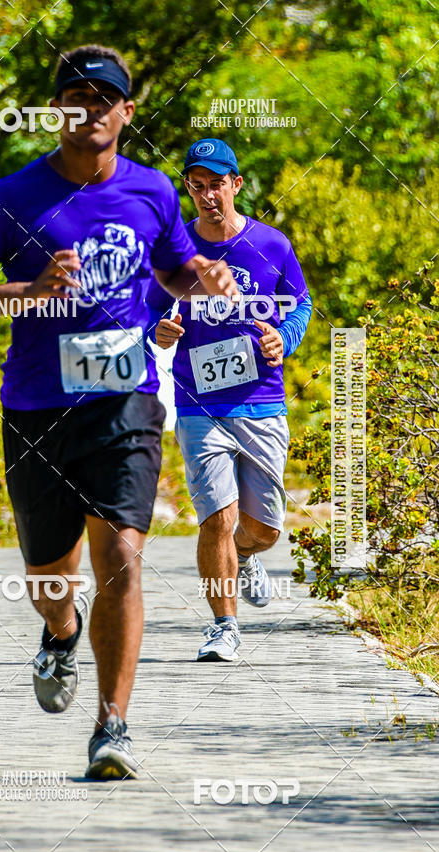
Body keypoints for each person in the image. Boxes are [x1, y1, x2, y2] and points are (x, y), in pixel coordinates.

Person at [0, 48, 238, 779]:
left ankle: (113, 726)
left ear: (126, 113)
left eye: (105, 98)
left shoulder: (155, 190)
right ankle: (60, 633)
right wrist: (28, 291)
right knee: (50, 579)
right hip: (37, 405)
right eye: (76, 97)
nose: (91, 109)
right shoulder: (12, 196)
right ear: (58, 111)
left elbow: (170, 267)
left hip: (125, 398)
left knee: (123, 558)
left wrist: (201, 275)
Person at [152, 138, 312, 662]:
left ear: (236, 185)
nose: (206, 195)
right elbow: (146, 315)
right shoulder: (174, 252)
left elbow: (300, 306)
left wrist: (282, 338)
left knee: (263, 529)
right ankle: (223, 626)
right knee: (216, 518)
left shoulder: (272, 244)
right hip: (199, 406)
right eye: (195, 186)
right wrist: (161, 332)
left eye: (215, 184)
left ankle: (245, 556)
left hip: (262, 404)